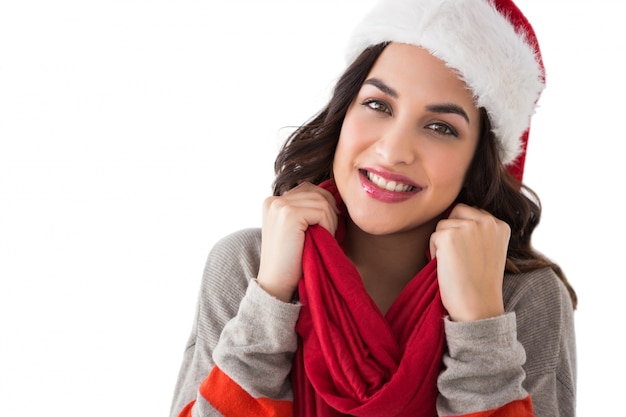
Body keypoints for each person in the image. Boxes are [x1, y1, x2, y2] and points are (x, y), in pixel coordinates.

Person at [169, 0, 577, 415]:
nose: (393, 150)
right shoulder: (247, 265)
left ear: (479, 160)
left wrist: (481, 328)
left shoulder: (524, 295)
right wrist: (269, 302)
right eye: (379, 105)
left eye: (440, 127)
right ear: (343, 113)